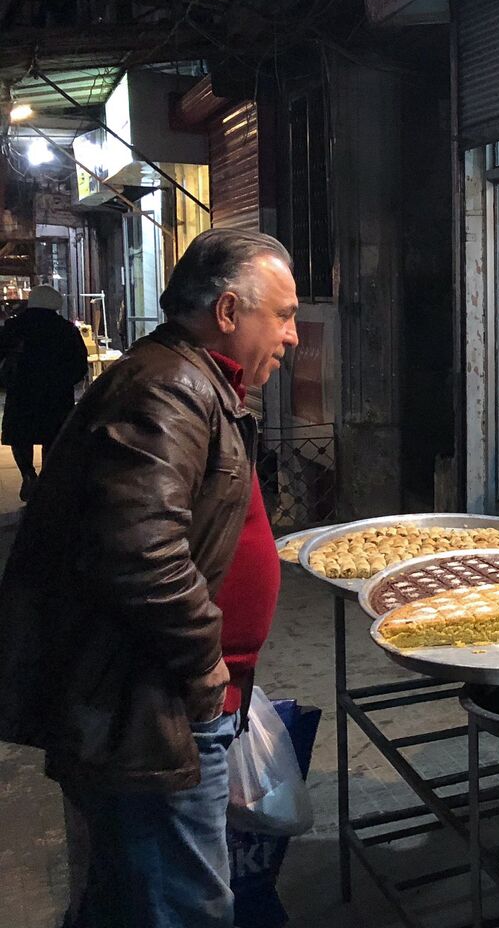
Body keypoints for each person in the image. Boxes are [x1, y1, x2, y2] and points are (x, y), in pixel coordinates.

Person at [0, 228, 299, 928]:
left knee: (126, 894)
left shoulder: (193, 380)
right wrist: (205, 672)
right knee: (182, 905)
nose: (290, 336)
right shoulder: (169, 387)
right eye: (281, 316)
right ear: (229, 311)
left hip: (159, 701)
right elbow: (140, 551)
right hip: (153, 707)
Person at [0, 282, 88, 501]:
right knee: (53, 437)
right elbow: (79, 364)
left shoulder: (14, 326)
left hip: (22, 392)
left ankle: (28, 474)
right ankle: (47, 480)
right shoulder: (66, 329)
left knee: (21, 436)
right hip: (56, 395)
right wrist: (66, 382)